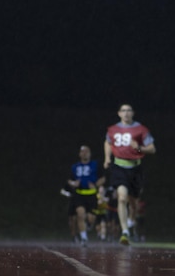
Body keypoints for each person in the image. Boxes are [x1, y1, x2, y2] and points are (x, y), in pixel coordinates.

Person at [103, 103, 156, 246]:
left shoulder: (141, 129)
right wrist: (107, 158)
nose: (126, 113)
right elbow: (107, 142)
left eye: (129, 110)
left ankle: (131, 222)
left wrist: (139, 148)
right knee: (122, 198)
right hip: (119, 167)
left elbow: (152, 149)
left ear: (133, 113)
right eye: (123, 110)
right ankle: (125, 231)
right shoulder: (112, 129)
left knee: (134, 203)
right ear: (119, 113)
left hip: (135, 168)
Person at [66, 145, 101, 246]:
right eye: (82, 151)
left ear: (90, 153)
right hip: (79, 194)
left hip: (92, 195)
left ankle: (89, 225)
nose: (84, 153)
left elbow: (102, 178)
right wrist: (74, 184)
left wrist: (95, 185)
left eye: (86, 151)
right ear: (79, 154)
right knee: (80, 214)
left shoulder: (95, 165)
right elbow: (69, 180)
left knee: (91, 218)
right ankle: (84, 238)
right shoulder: (75, 167)